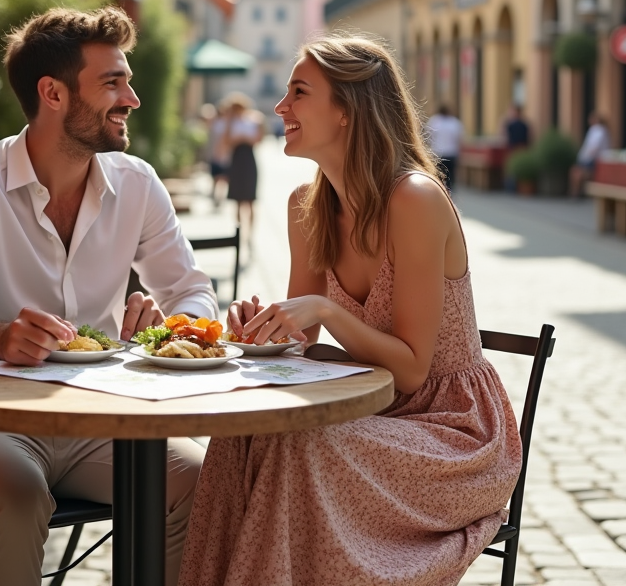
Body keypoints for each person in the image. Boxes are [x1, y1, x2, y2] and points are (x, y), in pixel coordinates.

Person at [178, 36, 523, 586]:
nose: (279, 107)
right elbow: (302, 342)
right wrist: (264, 328)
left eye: (298, 92)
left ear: (346, 111)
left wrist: (325, 312)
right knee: (240, 435)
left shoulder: (414, 200)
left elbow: (411, 370)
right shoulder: (305, 207)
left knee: (299, 448)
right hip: (367, 411)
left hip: (450, 432)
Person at [0, 6, 217, 586]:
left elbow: (190, 289)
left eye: (127, 81)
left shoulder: (137, 183)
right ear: (52, 93)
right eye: (112, 82)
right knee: (18, 493)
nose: (131, 98)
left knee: (200, 480)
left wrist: (175, 328)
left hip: (102, 421)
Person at [222, 93, 265, 246]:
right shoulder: (230, 122)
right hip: (237, 159)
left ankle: (250, 234)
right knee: (238, 200)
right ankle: (240, 232)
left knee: (250, 199)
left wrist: (243, 139)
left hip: (248, 158)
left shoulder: (253, 120)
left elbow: (259, 139)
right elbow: (226, 141)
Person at [570, 112, 610, 197]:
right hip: (587, 159)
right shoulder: (594, 130)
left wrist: (585, 158)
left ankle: (576, 192)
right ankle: (576, 192)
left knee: (577, 173)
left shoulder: (600, 131)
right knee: (575, 171)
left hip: (593, 160)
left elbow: (594, 148)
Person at [426, 104, 464, 192]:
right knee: (451, 176)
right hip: (452, 153)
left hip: (438, 153)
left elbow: (428, 137)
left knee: (439, 176)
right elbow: (460, 139)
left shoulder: (434, 121)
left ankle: (440, 193)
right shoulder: (455, 122)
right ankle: (450, 194)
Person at [206, 99, 231, 208]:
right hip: (215, 152)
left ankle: (220, 197)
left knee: (223, 178)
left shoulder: (228, 123)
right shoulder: (215, 122)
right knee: (215, 177)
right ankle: (214, 195)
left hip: (226, 154)